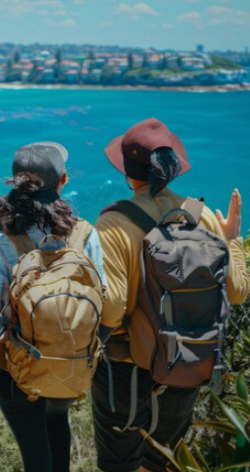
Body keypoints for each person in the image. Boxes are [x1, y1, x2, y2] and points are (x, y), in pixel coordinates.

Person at [92, 118, 250, 472]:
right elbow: (238, 293)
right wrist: (233, 239)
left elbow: (113, 309)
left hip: (129, 369)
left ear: (128, 173)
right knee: (161, 461)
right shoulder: (202, 215)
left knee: (120, 464)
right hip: (188, 360)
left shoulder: (113, 224)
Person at [0, 142, 109, 472]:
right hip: (72, 362)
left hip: (16, 367)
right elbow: (105, 297)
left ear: (16, 184)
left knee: (35, 456)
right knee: (58, 429)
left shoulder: (1, 238)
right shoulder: (85, 234)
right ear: (63, 181)